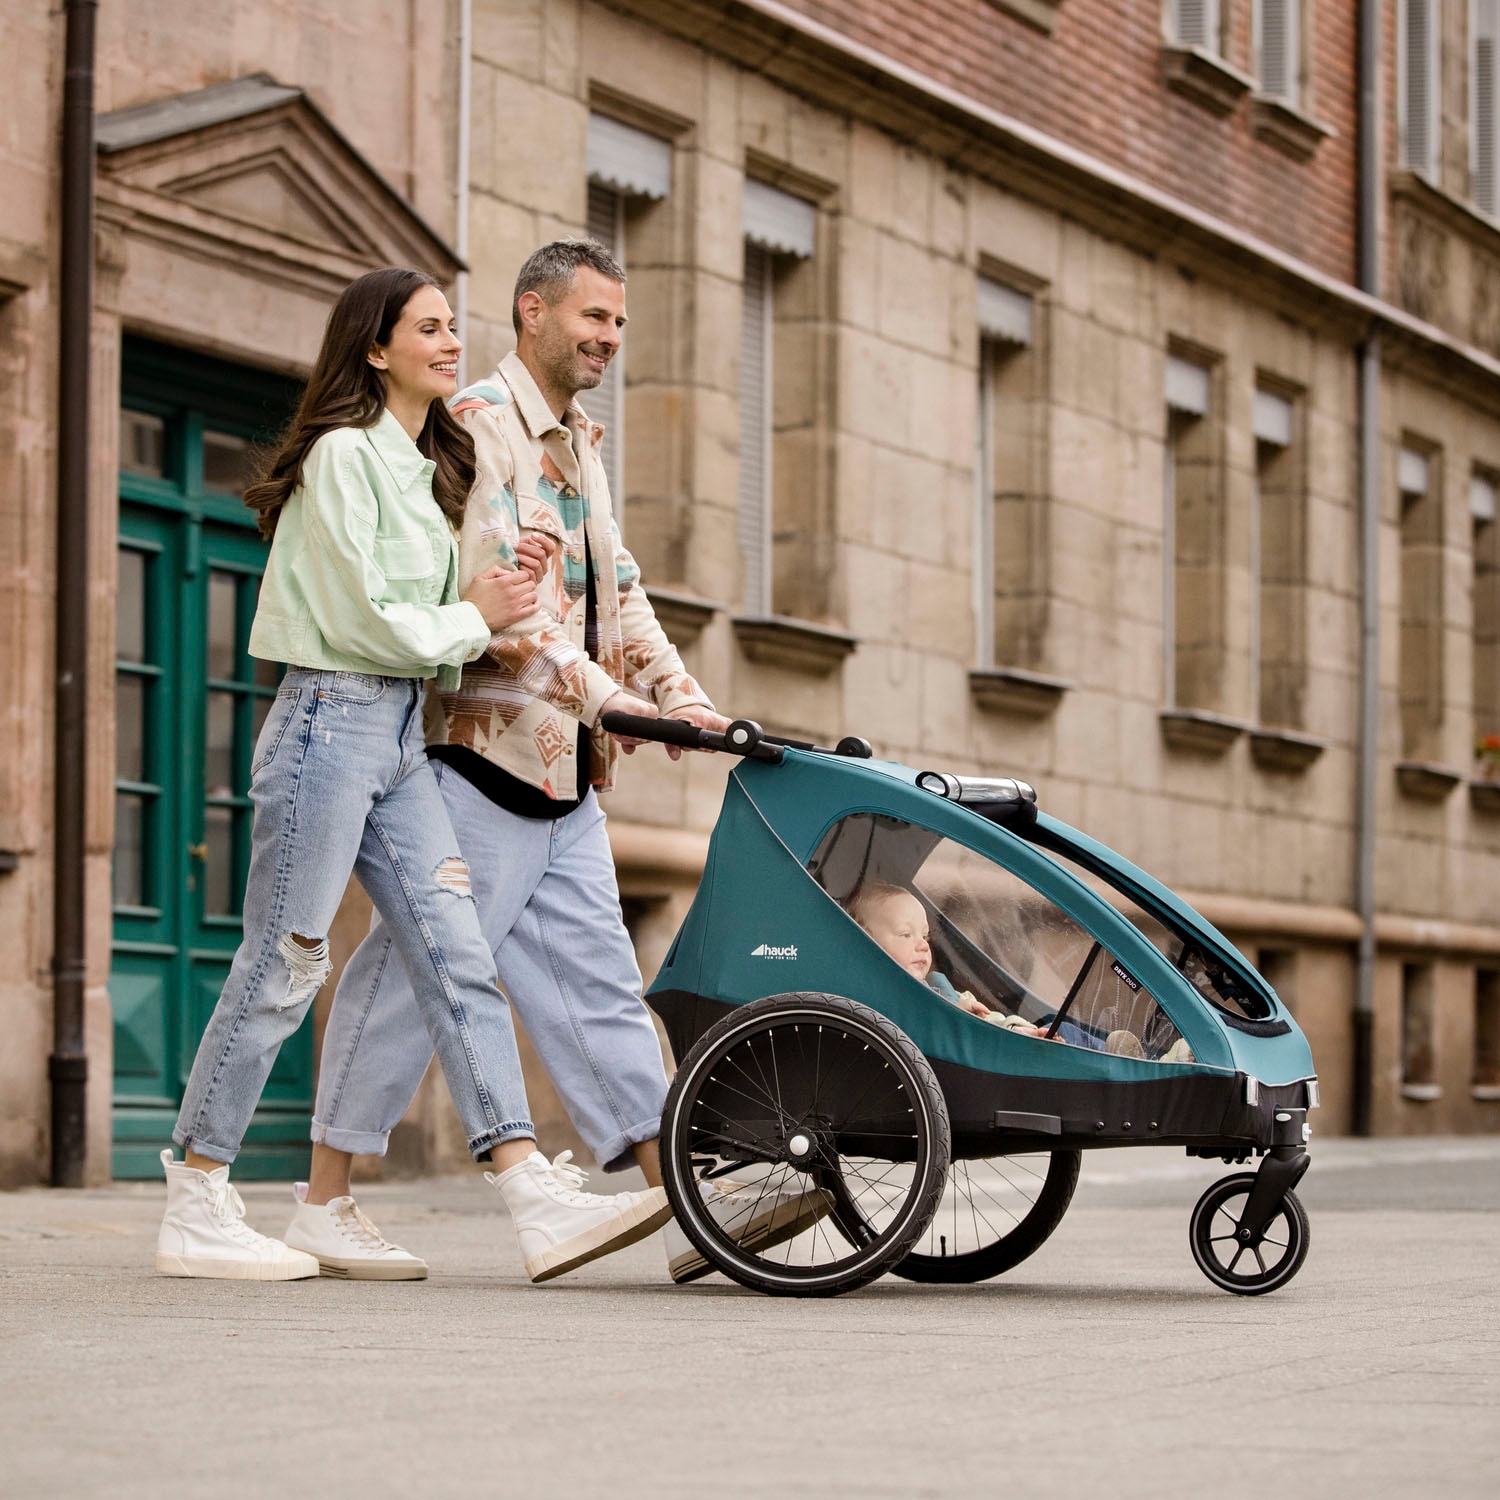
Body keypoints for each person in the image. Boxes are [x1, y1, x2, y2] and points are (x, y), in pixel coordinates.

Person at [309, 240, 825, 1285]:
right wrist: (615, 699)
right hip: (474, 764)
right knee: (413, 979)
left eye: (621, 324)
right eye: (593, 318)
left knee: (600, 986)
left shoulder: (580, 441)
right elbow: (512, 605)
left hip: (565, 777)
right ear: (531, 312)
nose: (609, 338)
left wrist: (686, 701)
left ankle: (674, 1198)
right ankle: (325, 1200)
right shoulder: (477, 429)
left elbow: (615, 591)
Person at [158, 266, 670, 1283]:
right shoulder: (345, 457)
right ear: (375, 348)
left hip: (394, 735)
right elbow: (366, 626)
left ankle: (527, 1191)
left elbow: (444, 634)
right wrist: (475, 615)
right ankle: (197, 1196)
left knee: (455, 952)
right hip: (327, 723)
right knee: (285, 964)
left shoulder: (424, 467)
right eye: (427, 329)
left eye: (450, 326)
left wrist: (498, 590)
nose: (448, 342)